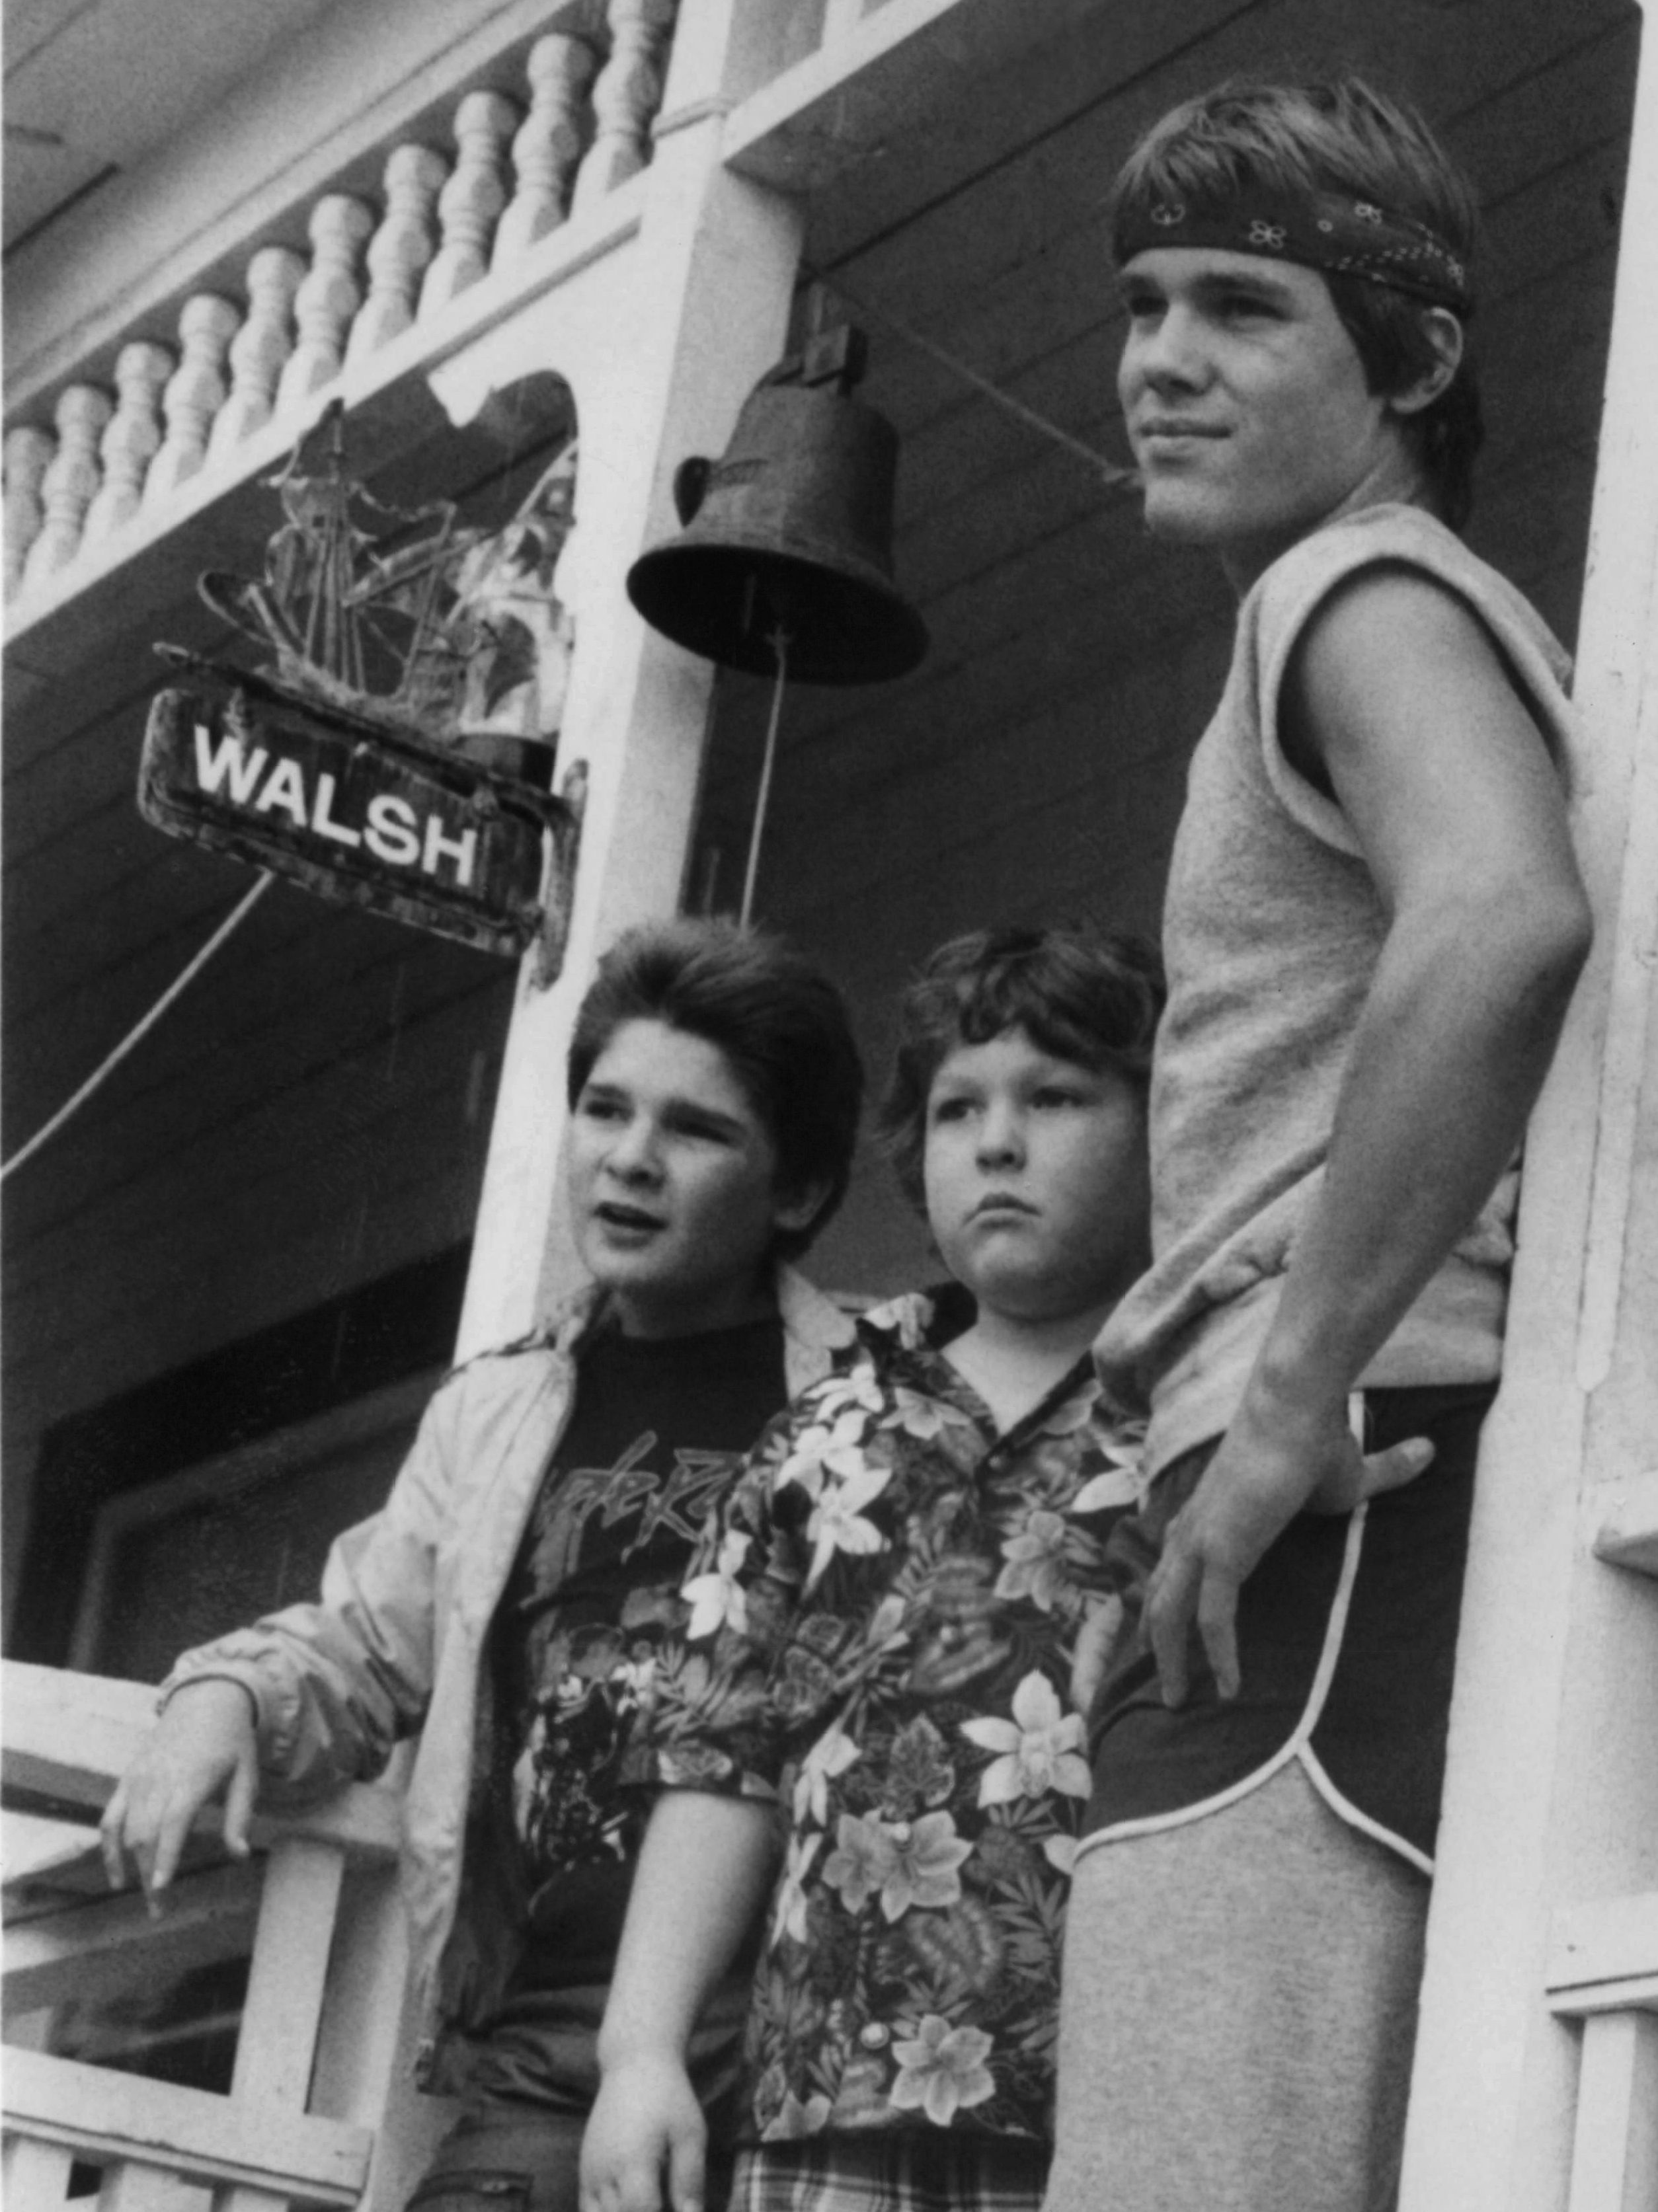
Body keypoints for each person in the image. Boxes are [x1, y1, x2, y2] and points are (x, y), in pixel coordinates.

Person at [1043, 75, 1594, 2212]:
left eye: (1238, 306)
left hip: (1336, 1451)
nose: (1155, 358)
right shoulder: (1418, 607)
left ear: (1412, 358)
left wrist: (1276, 1391)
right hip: (1364, 1450)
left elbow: (1494, 911)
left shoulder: (1350, 591)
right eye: (1140, 302)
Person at [100, 916, 866, 2212]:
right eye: (607, 1110)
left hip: (810, 2027)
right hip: (554, 2039)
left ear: (794, 1189)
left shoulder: (875, 1407)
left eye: (696, 1129)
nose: (630, 1159)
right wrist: (223, 1694)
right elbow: (365, 1643)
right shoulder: (498, 1412)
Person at [579, 924, 1165, 2212]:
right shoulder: (828, 1432)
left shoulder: (1192, 1417)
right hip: (823, 2102)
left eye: (1055, 1097)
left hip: (1115, 2102)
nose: (997, 1141)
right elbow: (717, 1756)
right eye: (960, 1108)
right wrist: (641, 2051)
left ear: (1169, 1123)